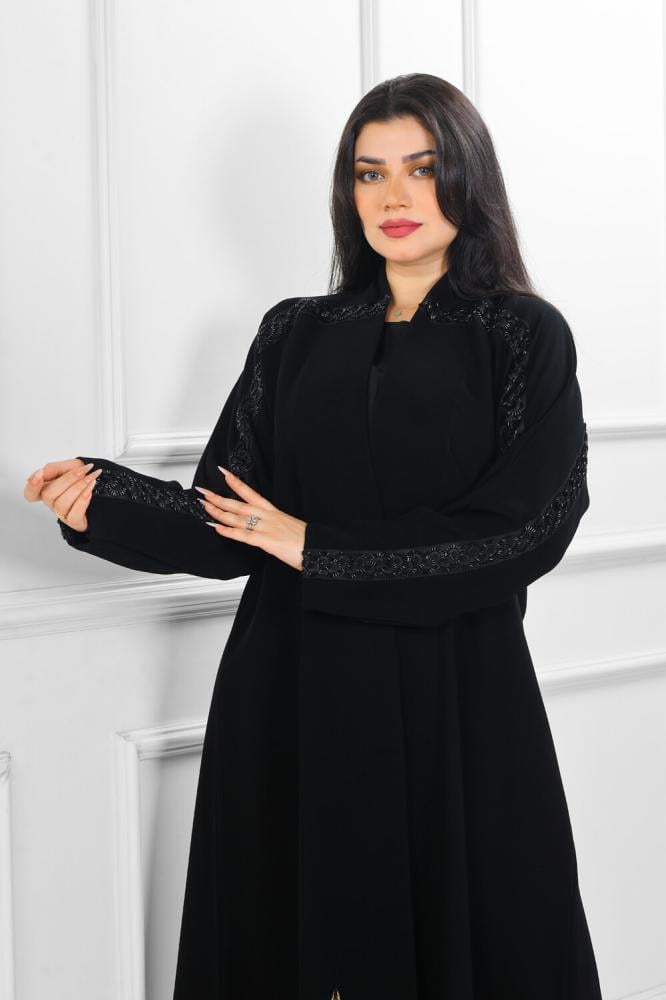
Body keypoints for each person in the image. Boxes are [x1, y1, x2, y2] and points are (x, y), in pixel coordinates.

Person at [23, 73, 604, 1000]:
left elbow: (527, 529)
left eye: (422, 168)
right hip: (291, 689)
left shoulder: (522, 333)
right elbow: (229, 521)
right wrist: (104, 500)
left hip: (456, 695)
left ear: (469, 177)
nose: (394, 195)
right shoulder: (295, 332)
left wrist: (317, 549)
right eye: (370, 173)